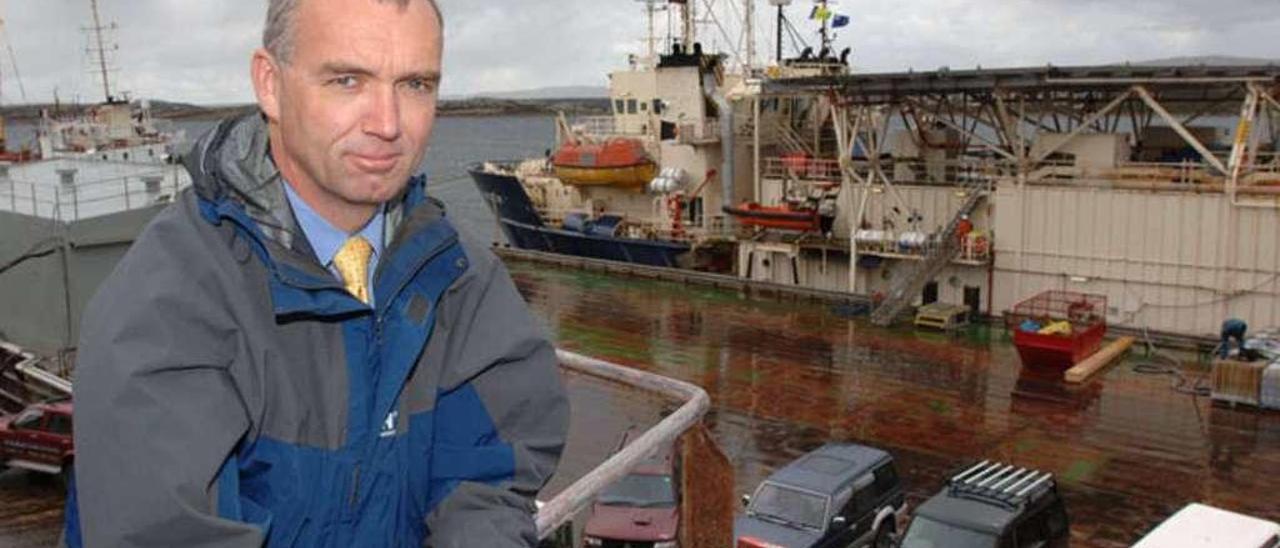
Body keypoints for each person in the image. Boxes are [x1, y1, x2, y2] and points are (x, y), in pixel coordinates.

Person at [64, 0, 569, 546]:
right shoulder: (168, 304)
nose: (388, 124)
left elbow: (488, 479)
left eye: (416, 84)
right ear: (270, 84)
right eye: (347, 80)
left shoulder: (460, 278)